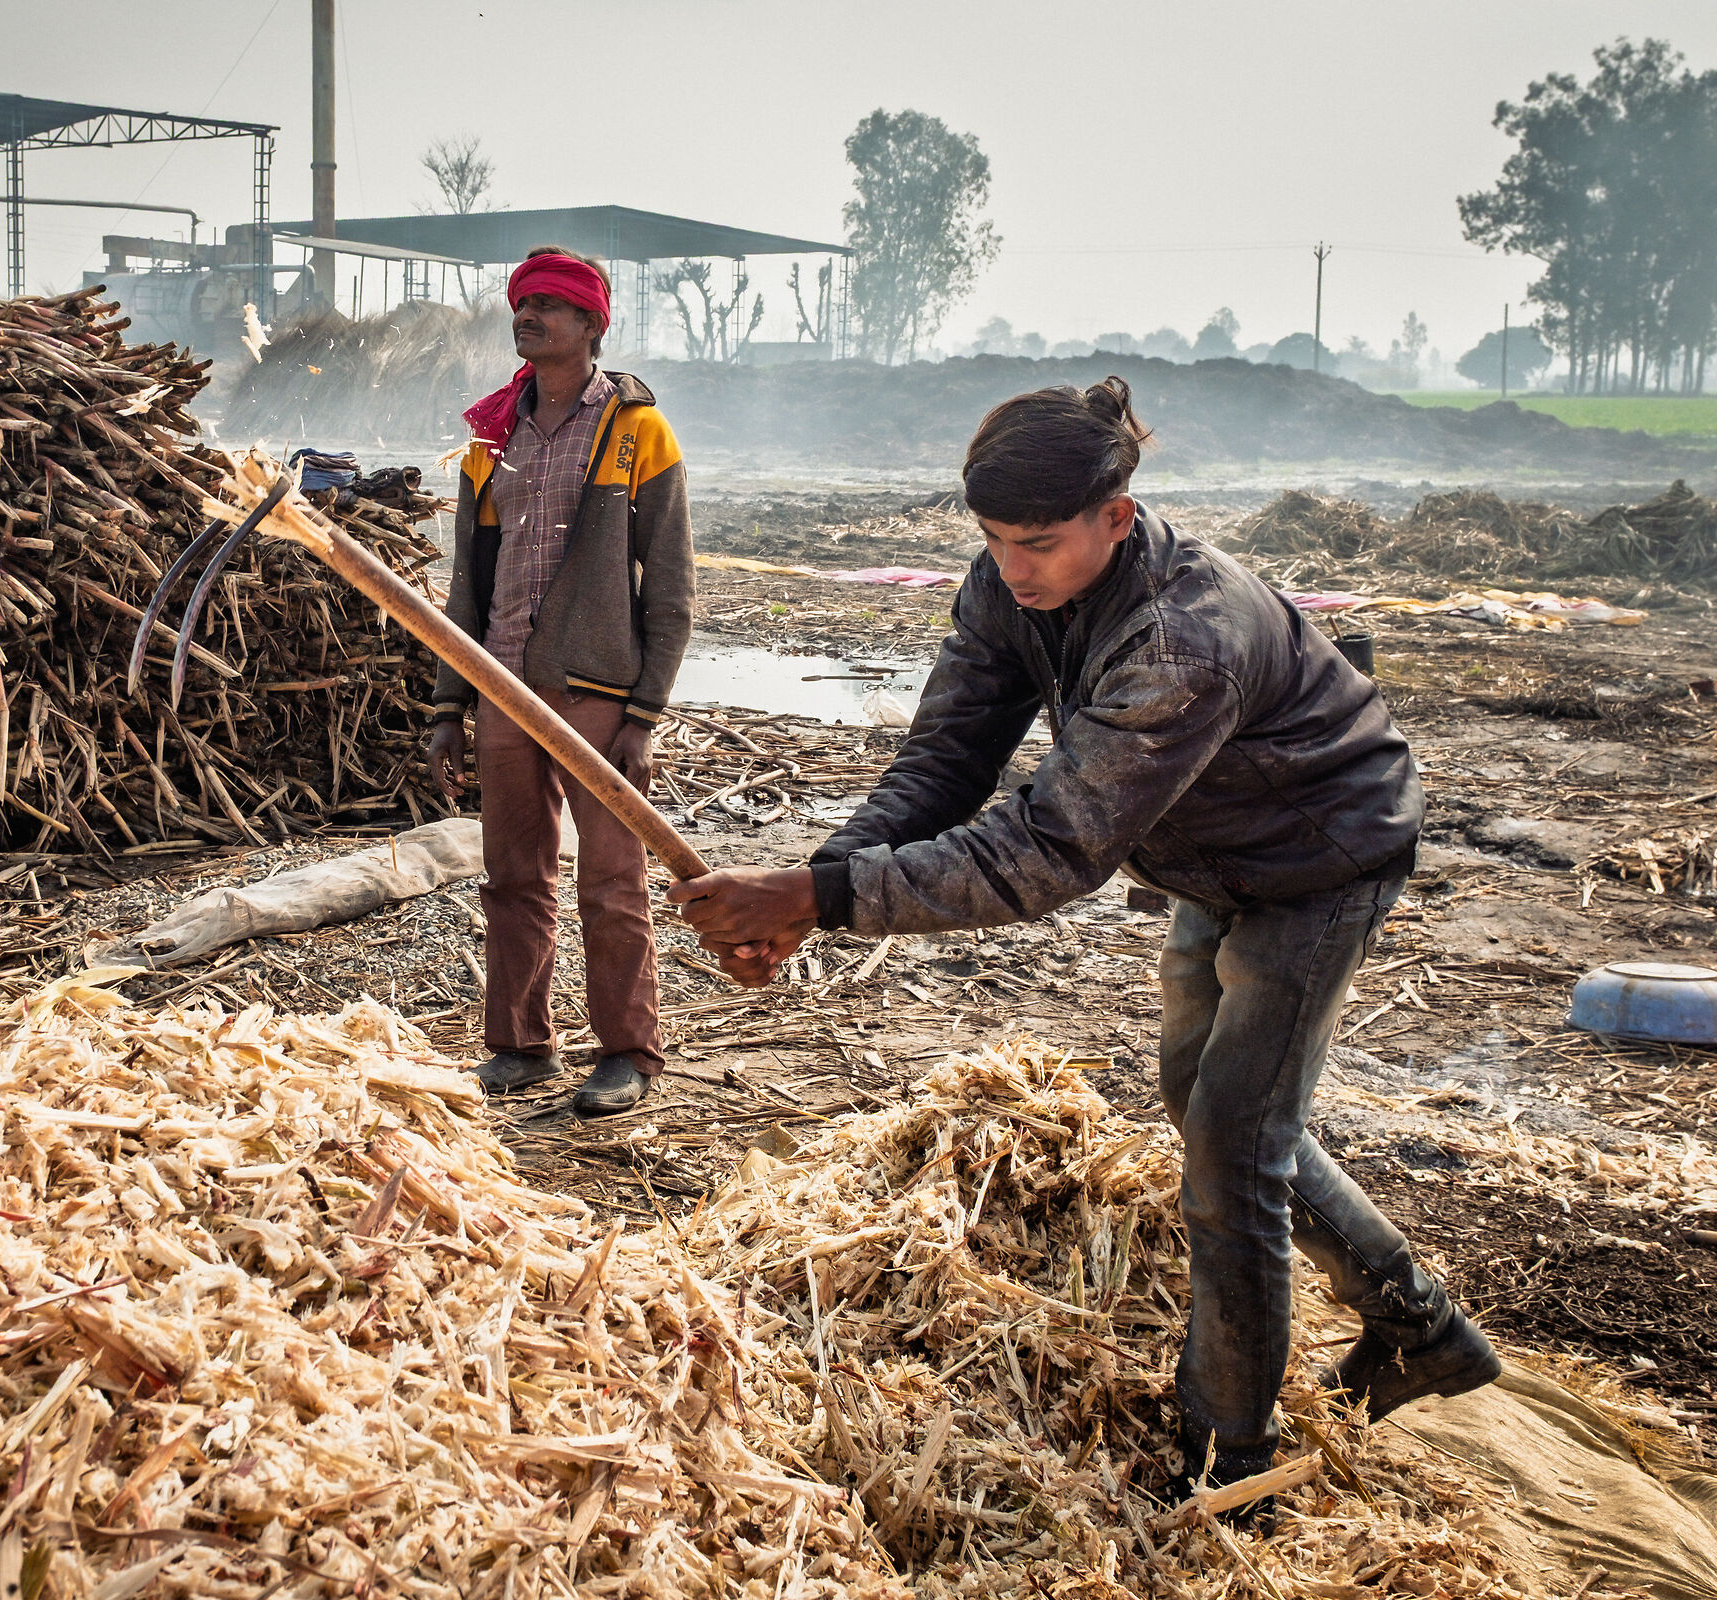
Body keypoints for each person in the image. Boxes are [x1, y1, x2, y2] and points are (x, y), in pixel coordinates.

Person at [668, 377, 1498, 1496]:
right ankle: (1420, 1327)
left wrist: (814, 901)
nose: (1014, 568)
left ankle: (1226, 1452)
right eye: (996, 541)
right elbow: (948, 761)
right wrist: (815, 882)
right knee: (1201, 1099)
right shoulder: (1011, 586)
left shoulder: (1185, 637)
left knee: (1234, 1153)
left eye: (1041, 543)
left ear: (1118, 514)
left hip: (1321, 861)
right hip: (1210, 851)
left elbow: (1047, 850)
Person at [428, 246, 694, 1117]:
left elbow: (673, 586)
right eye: (523, 302)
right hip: (501, 682)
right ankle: (517, 1044)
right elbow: (470, 579)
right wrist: (447, 706)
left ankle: (627, 1051)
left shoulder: (636, 431)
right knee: (512, 874)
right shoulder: (490, 436)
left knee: (611, 880)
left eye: (549, 304)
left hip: (595, 692)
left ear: (591, 324)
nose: (528, 314)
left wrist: (644, 710)